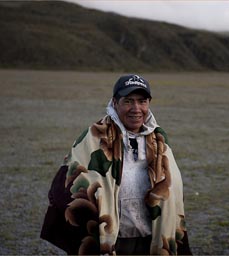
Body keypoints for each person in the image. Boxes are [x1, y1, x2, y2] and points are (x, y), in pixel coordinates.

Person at [41, 74, 192, 255]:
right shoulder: (94, 137)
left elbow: (173, 191)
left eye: (142, 101)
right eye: (128, 101)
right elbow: (67, 182)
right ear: (115, 102)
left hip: (151, 238)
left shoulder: (159, 140)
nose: (136, 109)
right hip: (111, 239)